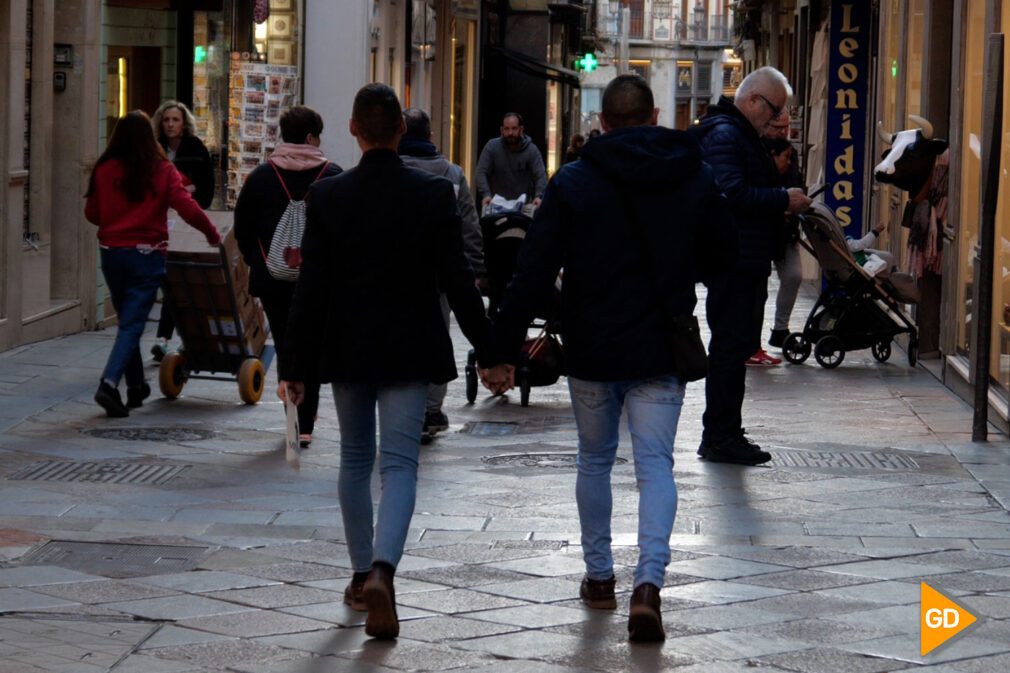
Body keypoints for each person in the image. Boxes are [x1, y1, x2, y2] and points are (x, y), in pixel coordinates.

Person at [485, 75, 734, 642]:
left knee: (595, 460)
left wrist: (502, 349)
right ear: (652, 117)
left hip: (594, 345)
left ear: (602, 121)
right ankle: (648, 584)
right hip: (660, 344)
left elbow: (532, 270)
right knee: (655, 466)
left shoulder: (573, 182)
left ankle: (600, 579)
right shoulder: (692, 175)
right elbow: (725, 254)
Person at [281, 84, 503, 640]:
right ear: (402, 131)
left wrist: (294, 367)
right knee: (400, 464)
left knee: (355, 460)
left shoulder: (329, 197)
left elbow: (311, 290)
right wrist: (493, 352)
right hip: (409, 345)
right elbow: (459, 280)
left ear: (354, 131)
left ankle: (360, 576)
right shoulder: (432, 195)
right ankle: (385, 569)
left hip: (348, 344)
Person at [689, 66, 811, 465]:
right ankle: (721, 435)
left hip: (744, 258)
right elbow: (730, 192)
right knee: (729, 348)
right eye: (774, 110)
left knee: (735, 346)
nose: (776, 119)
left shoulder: (737, 133)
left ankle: (725, 431)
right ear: (754, 100)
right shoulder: (727, 134)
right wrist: (782, 199)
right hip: (735, 260)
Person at [85, 111, 221, 417]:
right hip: (147, 255)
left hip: (111, 254)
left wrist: (114, 216)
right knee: (133, 323)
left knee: (127, 322)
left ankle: (136, 387)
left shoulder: (104, 168)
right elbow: (188, 207)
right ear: (150, 136)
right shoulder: (161, 169)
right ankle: (109, 383)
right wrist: (213, 235)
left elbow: (92, 213)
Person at [234, 105, 341, 448]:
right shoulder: (334, 175)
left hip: (273, 279)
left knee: (284, 342)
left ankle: (294, 422)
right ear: (311, 137)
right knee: (313, 343)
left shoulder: (261, 177)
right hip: (320, 279)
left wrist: (260, 261)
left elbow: (242, 229)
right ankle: (306, 420)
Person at [398, 108, 486, 443]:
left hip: (398, 273)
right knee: (438, 334)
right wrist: (475, 268)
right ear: (430, 136)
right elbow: (469, 225)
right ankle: (431, 409)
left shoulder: (392, 171)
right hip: (439, 274)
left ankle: (403, 403)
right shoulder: (452, 173)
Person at [150, 100, 216, 361]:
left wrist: (184, 194)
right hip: (160, 224)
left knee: (181, 281)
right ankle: (166, 338)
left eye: (175, 120)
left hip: (188, 226)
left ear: (184, 123)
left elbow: (205, 190)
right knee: (170, 282)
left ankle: (171, 338)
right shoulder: (155, 149)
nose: (170, 125)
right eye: (166, 120)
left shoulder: (195, 148)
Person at [764, 135, 804, 354]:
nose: (788, 161)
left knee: (794, 275)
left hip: (786, 234)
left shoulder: (790, 168)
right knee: (756, 290)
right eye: (785, 157)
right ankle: (752, 341)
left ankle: (780, 329)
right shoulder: (760, 167)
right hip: (764, 234)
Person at [474, 112, 548, 208]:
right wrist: (486, 194)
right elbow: (481, 172)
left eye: (514, 128)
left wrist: (539, 196)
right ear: (502, 130)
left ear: (521, 129)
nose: (510, 133)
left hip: (523, 207)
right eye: (507, 129)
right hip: (496, 204)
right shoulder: (492, 147)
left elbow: (540, 175)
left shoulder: (531, 150)